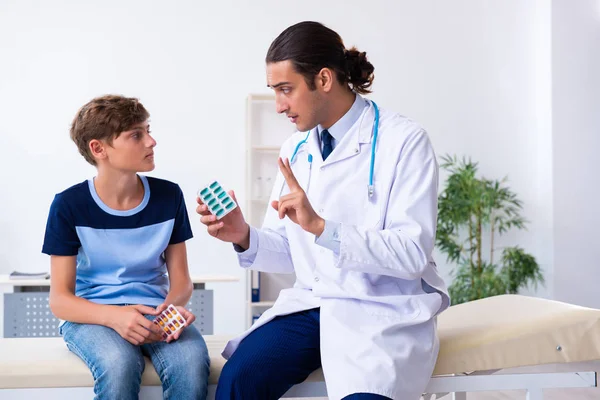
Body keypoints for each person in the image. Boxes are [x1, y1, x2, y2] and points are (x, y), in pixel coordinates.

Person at [198, 21, 449, 400]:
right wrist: (243, 235)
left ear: (325, 79)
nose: (279, 105)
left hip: (381, 311)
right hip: (314, 303)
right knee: (239, 379)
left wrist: (321, 227)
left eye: (286, 90)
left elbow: (412, 254)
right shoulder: (295, 150)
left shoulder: (404, 142)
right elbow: (290, 252)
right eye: (275, 91)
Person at [42, 95, 210, 400]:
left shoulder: (169, 196)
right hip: (92, 318)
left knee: (192, 364)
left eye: (148, 130)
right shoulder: (68, 205)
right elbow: (60, 301)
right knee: (119, 365)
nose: (151, 141)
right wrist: (115, 317)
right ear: (99, 148)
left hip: (154, 312)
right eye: (136, 135)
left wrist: (169, 311)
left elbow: (182, 282)